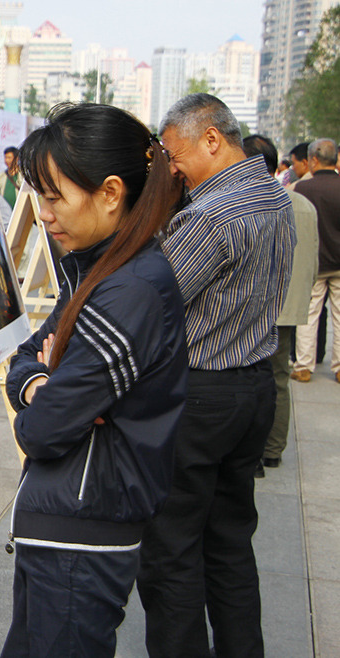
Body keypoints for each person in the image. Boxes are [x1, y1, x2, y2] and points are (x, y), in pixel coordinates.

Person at [1, 103, 188, 657]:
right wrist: (41, 381)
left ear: (110, 192)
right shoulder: (101, 266)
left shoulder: (127, 289)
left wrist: (43, 391)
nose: (45, 213)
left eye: (55, 196)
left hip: (81, 532)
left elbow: (40, 431)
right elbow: (25, 359)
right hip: (65, 521)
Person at [137, 94, 295, 658]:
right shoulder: (274, 195)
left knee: (172, 552)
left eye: (175, 156)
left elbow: (154, 300)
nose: (172, 168)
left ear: (211, 139)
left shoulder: (213, 213)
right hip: (252, 388)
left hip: (200, 395)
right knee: (229, 544)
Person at [241, 135, 318, 477]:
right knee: (279, 378)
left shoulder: (249, 203)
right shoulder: (301, 203)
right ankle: (272, 450)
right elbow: (312, 259)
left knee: (253, 377)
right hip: (288, 305)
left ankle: (254, 452)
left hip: (257, 306)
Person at [292, 137, 340, 384]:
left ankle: (303, 366)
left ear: (313, 160)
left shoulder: (302, 189)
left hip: (315, 263)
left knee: (309, 315)